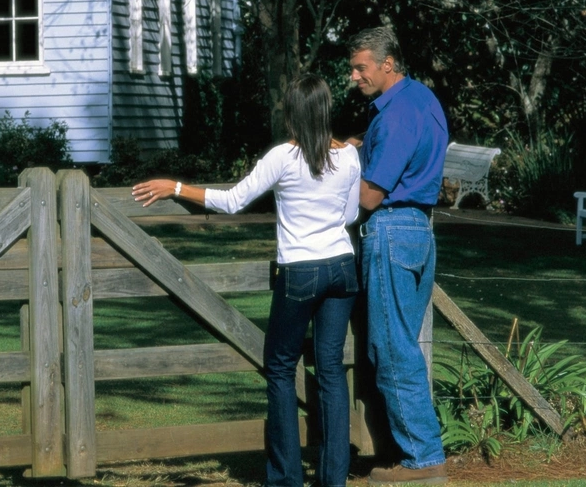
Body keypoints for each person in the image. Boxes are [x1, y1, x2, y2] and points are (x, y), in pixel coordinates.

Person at [133, 75, 361, 487]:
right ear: (326, 110)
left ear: (292, 113)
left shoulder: (283, 157)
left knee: (278, 368)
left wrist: (178, 187)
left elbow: (233, 200)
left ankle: (285, 479)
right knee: (330, 371)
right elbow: (349, 217)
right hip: (342, 268)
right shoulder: (349, 157)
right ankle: (334, 479)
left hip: (301, 271)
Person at [348, 27, 449, 486]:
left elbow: (370, 195)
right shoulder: (420, 100)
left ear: (387, 64)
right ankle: (412, 450)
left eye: (361, 67)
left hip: (390, 230)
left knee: (391, 349)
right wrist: (358, 146)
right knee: (401, 343)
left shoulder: (394, 117)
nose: (354, 76)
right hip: (419, 230)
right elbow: (402, 154)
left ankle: (424, 460)